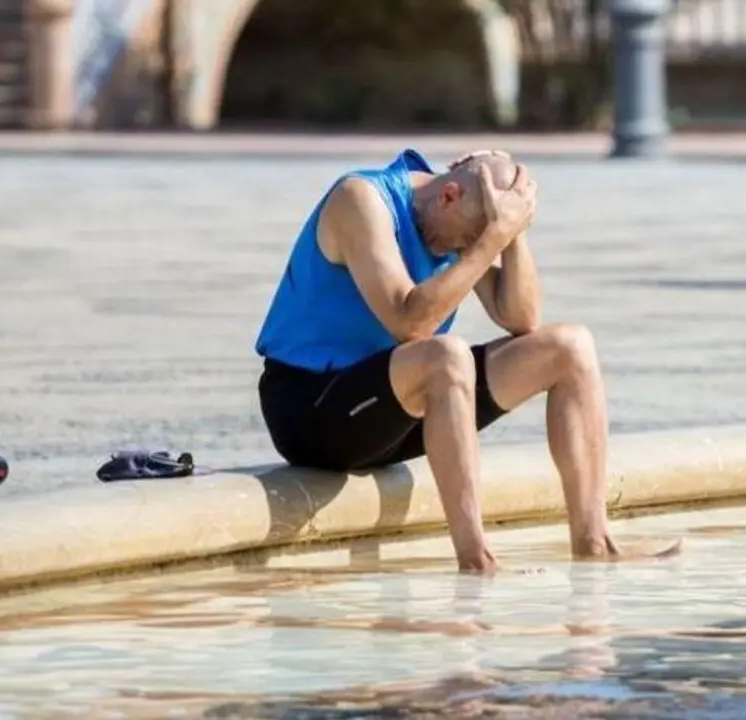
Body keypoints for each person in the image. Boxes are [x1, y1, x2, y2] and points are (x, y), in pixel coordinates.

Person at [254, 148, 667, 574]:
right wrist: (488, 240)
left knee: (571, 347)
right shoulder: (361, 200)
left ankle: (593, 543)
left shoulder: (459, 219)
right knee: (446, 356)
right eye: (467, 240)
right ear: (448, 195)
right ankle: (476, 560)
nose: (464, 250)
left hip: (392, 409)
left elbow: (521, 318)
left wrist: (510, 231)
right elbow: (410, 323)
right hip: (311, 411)